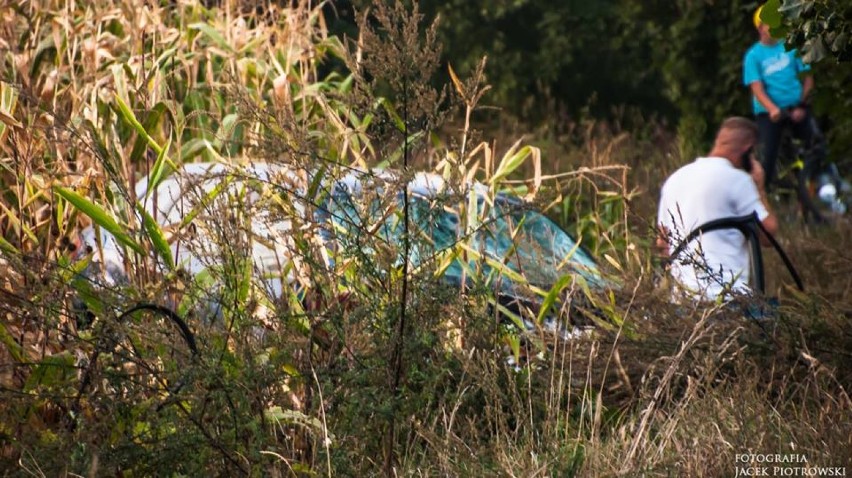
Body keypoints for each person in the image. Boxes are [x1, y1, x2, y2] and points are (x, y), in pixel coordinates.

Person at [657, 117, 779, 301]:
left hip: (683, 302)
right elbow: (768, 235)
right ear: (748, 150)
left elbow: (662, 243)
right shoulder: (739, 180)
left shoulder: (675, 179)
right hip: (728, 299)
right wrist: (760, 188)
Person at [743, 5, 821, 191]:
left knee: (816, 147)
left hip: (797, 108)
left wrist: (801, 105)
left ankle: (818, 188)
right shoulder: (753, 56)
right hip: (770, 113)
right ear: (761, 28)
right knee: (767, 156)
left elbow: (807, 80)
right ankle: (763, 194)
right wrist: (772, 109)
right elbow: (757, 89)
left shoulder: (790, 46)